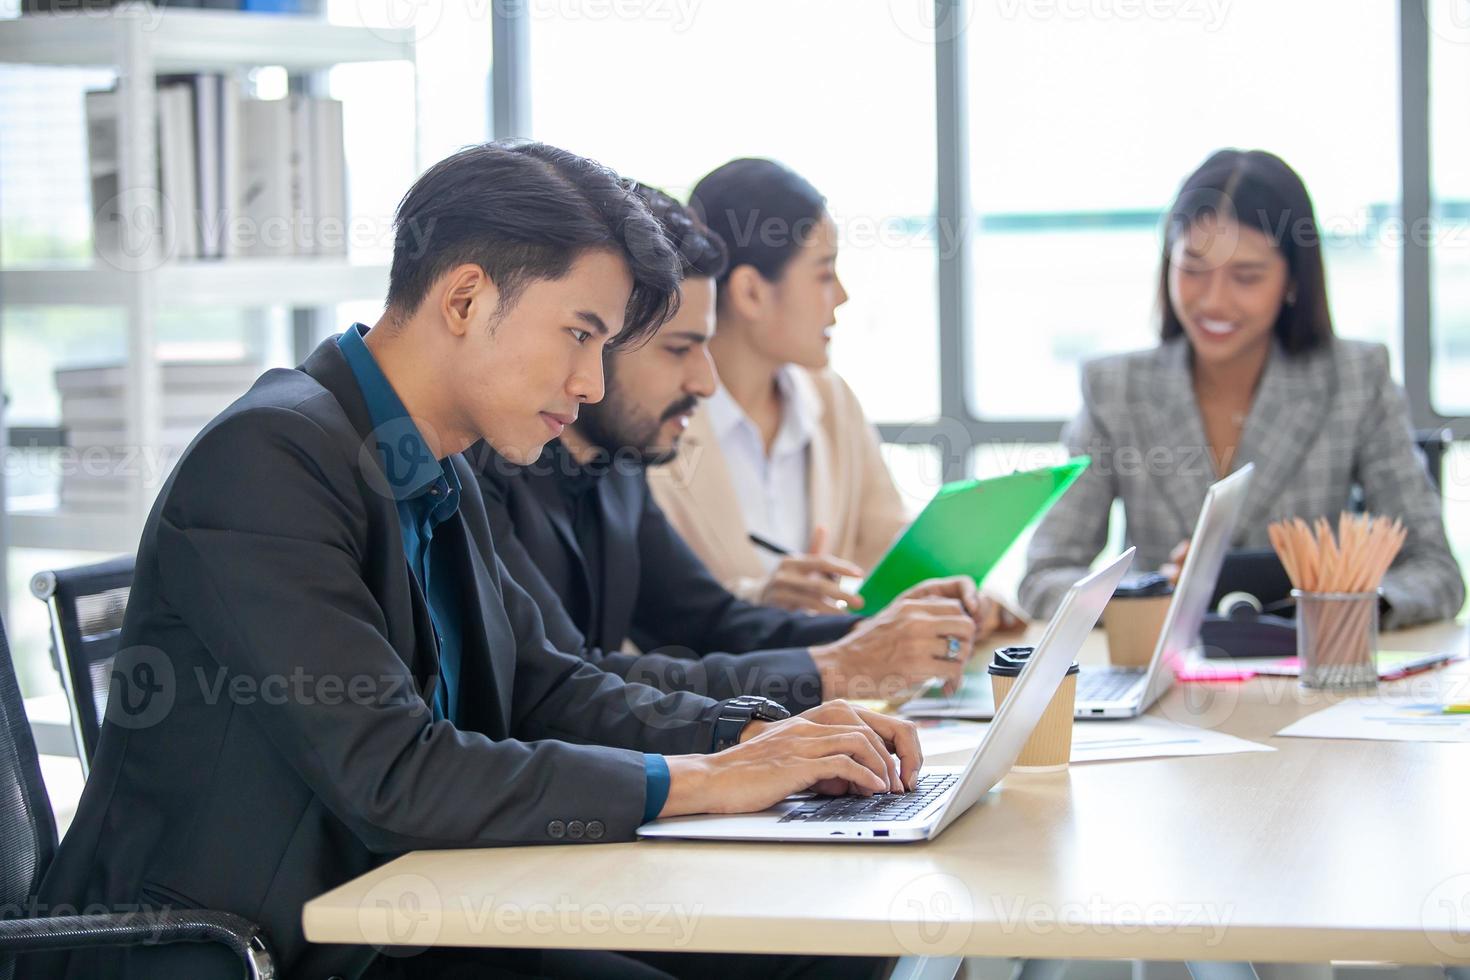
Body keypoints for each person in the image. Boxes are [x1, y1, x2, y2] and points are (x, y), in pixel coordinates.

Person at [26, 142, 915, 980]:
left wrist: (753, 738)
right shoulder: (272, 460)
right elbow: (394, 773)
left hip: (414, 915)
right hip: (250, 950)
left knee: (821, 952)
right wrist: (706, 781)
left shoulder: (432, 460)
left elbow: (547, 688)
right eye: (579, 333)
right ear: (464, 300)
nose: (594, 383)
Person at [472, 185, 1010, 710]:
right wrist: (842, 666)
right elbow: (570, 684)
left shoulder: (615, 466)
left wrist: (880, 632)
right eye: (680, 349)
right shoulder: (483, 467)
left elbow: (708, 622)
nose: (706, 383)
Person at [1019, 148, 1464, 628]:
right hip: (1165, 681)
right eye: (1192, 268)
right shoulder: (1114, 389)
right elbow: (1045, 576)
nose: (1214, 301)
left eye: (1246, 276)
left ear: (1293, 279)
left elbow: (1434, 570)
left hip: (1312, 679)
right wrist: (1146, 597)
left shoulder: (1356, 378)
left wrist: (1343, 608)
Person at [646, 158, 911, 615]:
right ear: (751, 292)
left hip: (834, 682)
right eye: (824, 274)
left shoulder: (832, 400)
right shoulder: (651, 420)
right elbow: (647, 617)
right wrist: (758, 598)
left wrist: (959, 592)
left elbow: (892, 549)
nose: (842, 297)